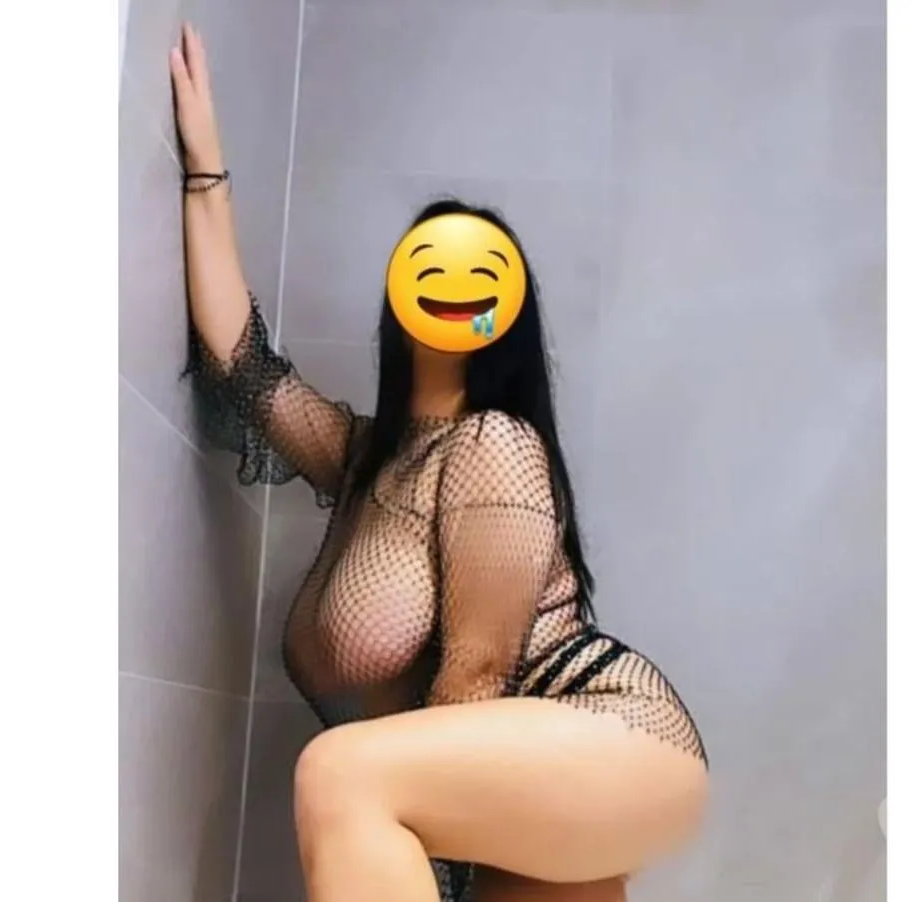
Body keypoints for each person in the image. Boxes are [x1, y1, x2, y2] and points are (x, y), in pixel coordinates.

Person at [170, 23, 708, 902]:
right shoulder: (364, 458)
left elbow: (477, 677)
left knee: (339, 772)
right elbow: (246, 366)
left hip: (610, 731)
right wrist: (204, 167)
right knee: (349, 774)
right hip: (525, 783)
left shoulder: (495, 445)